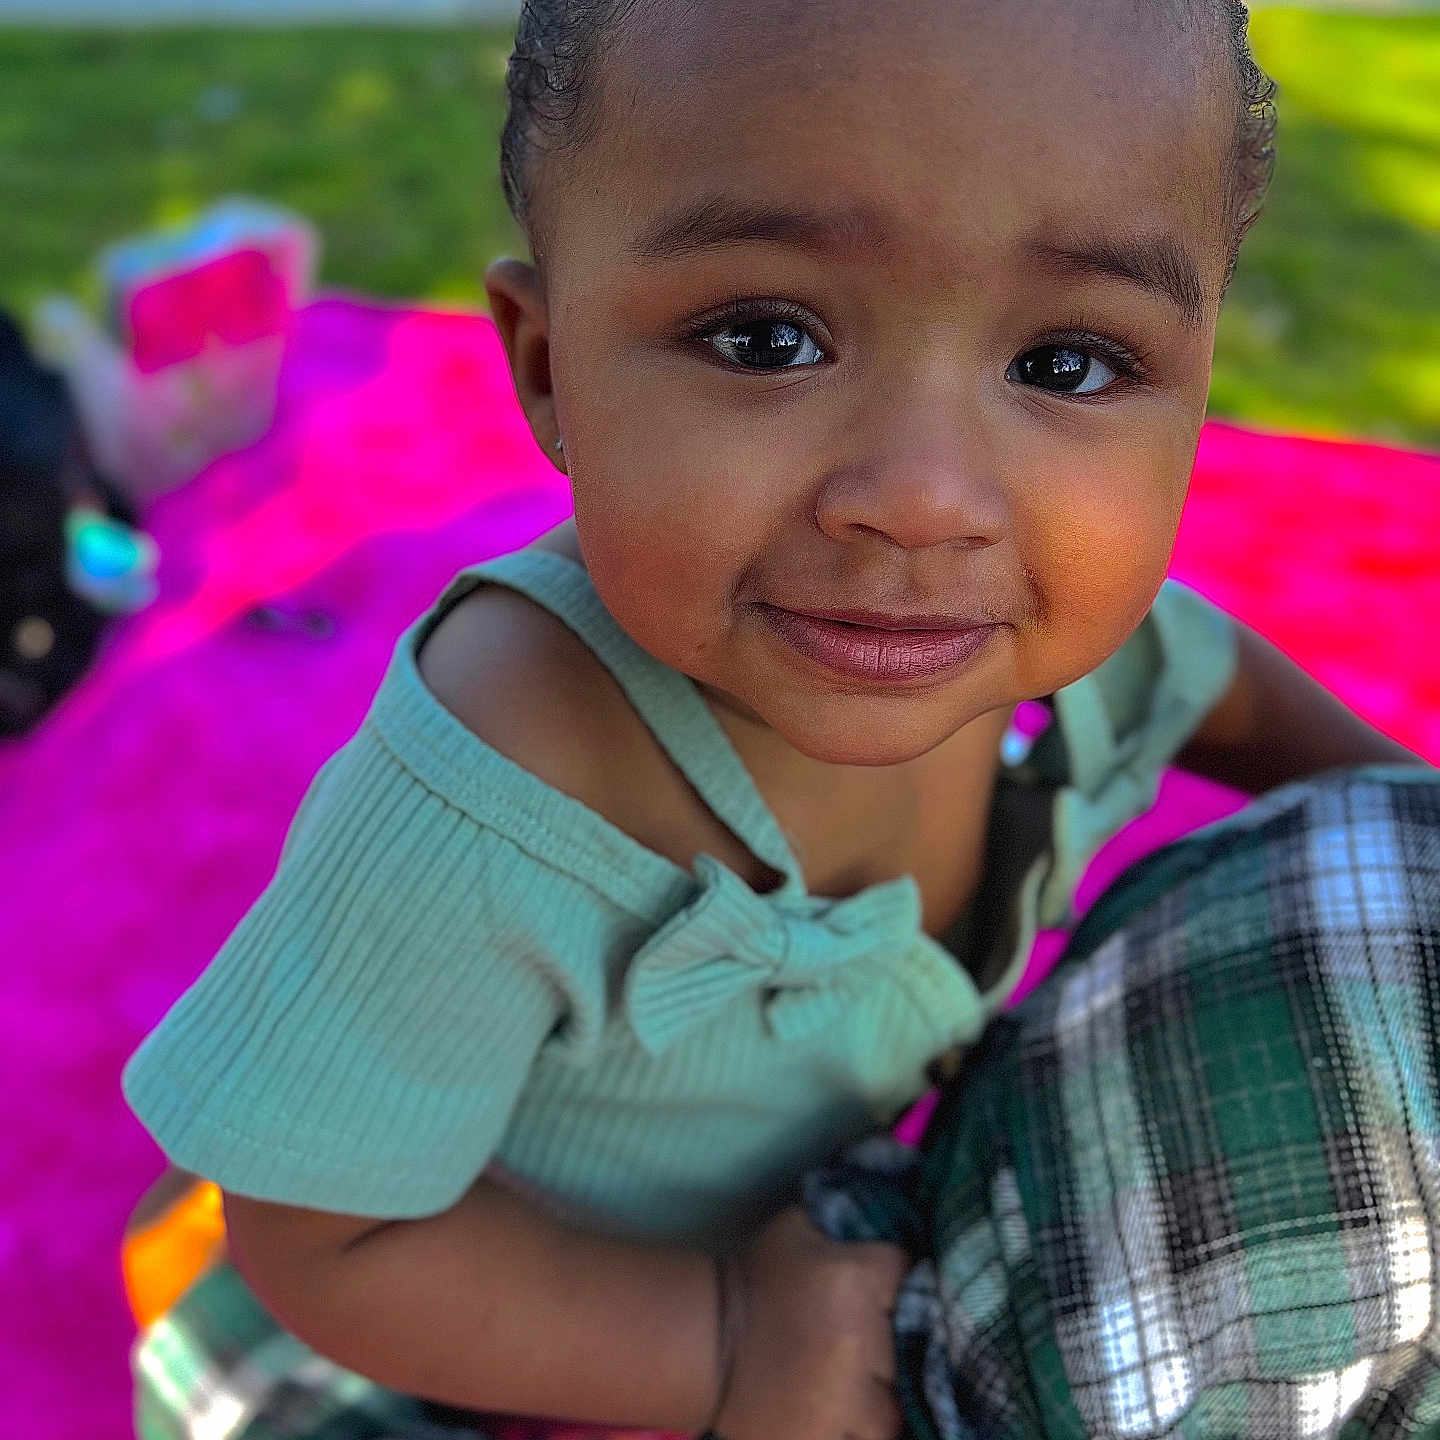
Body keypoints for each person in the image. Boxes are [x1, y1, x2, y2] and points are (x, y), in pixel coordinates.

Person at [121, 0, 1433, 1436]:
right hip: (452, 1301)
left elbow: (1229, 688)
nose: (923, 496)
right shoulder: (504, 781)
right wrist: (732, 1336)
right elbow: (325, 1240)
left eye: (1067, 364)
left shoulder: (1064, 660)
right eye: (766, 338)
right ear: (549, 370)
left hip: (822, 1240)